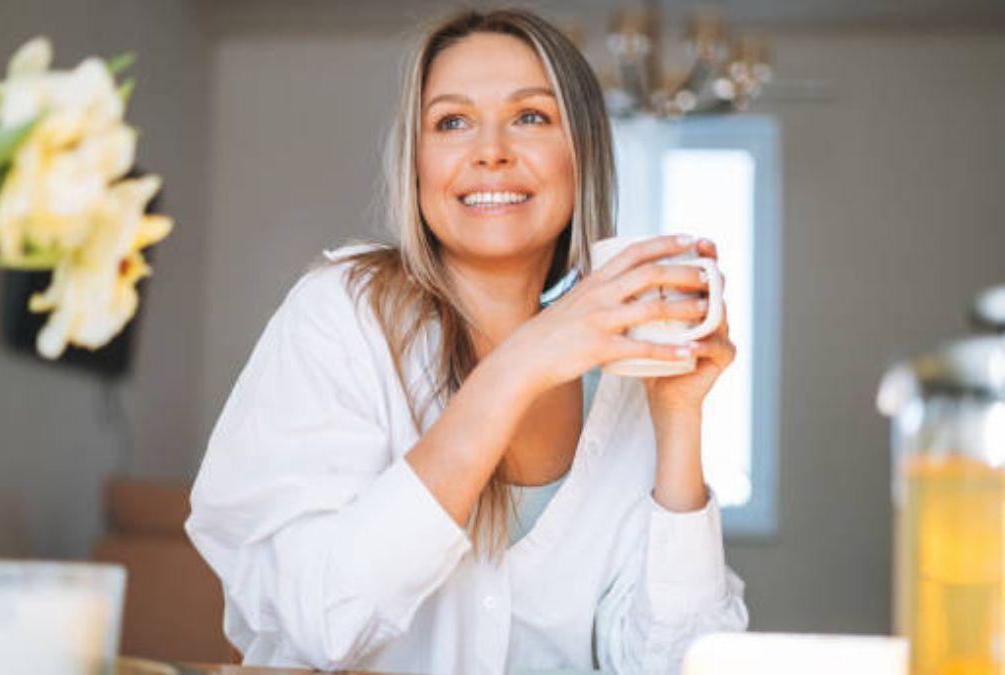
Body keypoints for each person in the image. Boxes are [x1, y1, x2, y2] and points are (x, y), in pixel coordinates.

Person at [186, 8, 748, 674]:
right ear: (417, 160)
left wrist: (679, 419)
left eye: (531, 117)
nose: (490, 151)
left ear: (584, 152)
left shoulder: (621, 372)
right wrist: (523, 364)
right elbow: (317, 619)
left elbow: (675, 661)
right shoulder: (340, 316)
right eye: (452, 122)